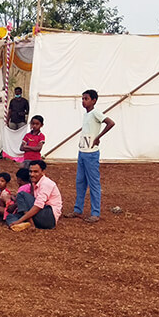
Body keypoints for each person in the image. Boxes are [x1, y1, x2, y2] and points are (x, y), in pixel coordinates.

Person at [63, 90, 115, 224]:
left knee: (93, 183)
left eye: (86, 99)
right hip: (82, 151)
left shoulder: (95, 113)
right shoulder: (87, 115)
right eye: (82, 99)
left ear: (94, 100)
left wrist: (98, 137)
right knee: (80, 182)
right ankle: (78, 209)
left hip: (91, 153)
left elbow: (110, 123)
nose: (83, 101)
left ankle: (95, 212)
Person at [7, 160, 61, 231]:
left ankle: (30, 223)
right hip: (40, 215)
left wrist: (19, 220)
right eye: (30, 171)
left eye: (35, 172)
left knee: (21, 194)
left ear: (43, 172)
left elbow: (38, 206)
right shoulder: (35, 183)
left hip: (49, 217)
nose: (32, 174)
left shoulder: (46, 183)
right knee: (10, 216)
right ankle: (27, 224)